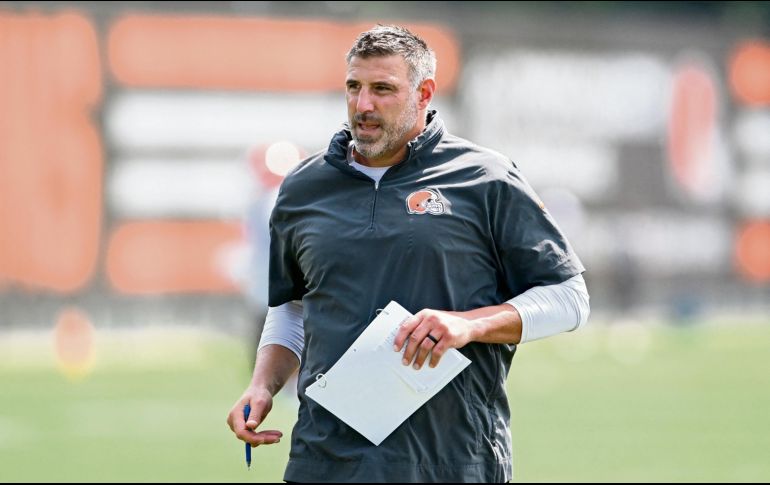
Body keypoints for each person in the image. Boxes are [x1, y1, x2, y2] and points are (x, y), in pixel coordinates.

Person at [227, 25, 590, 483]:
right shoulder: (303, 188)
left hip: (452, 460)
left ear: (424, 93)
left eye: (382, 89)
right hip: (325, 460)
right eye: (354, 87)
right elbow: (292, 306)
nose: (363, 105)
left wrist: (469, 324)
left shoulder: (484, 177)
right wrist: (263, 384)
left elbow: (570, 298)